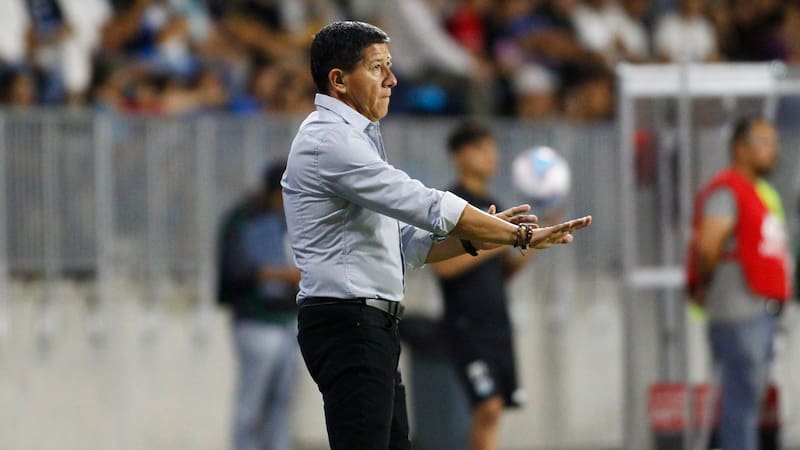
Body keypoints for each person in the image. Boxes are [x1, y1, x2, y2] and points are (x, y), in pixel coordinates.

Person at [281, 21, 591, 450]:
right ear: (339, 80)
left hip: (368, 325)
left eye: (389, 66)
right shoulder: (328, 140)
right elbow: (426, 204)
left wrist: (484, 237)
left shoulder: (354, 138)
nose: (392, 79)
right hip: (348, 323)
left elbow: (406, 246)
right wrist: (515, 235)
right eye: (377, 67)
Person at [687, 117, 793, 450]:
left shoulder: (758, 192)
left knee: (747, 401)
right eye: (764, 142)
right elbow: (709, 245)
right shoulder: (727, 189)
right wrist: (705, 287)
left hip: (757, 311)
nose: (773, 150)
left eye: (774, 142)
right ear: (740, 148)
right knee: (741, 403)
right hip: (738, 312)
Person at [433, 121, 534, 450]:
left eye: (493, 148)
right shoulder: (452, 204)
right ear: (460, 155)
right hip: (467, 326)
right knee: (487, 407)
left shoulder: (493, 203)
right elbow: (443, 267)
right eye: (481, 148)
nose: (492, 156)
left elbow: (503, 271)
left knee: (493, 411)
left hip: (497, 326)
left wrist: (534, 242)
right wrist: (497, 240)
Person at [217, 160, 300, 450]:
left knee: (281, 405)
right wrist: (284, 275)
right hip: (256, 323)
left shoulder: (287, 221)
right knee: (251, 405)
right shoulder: (243, 219)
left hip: (288, 322)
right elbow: (237, 270)